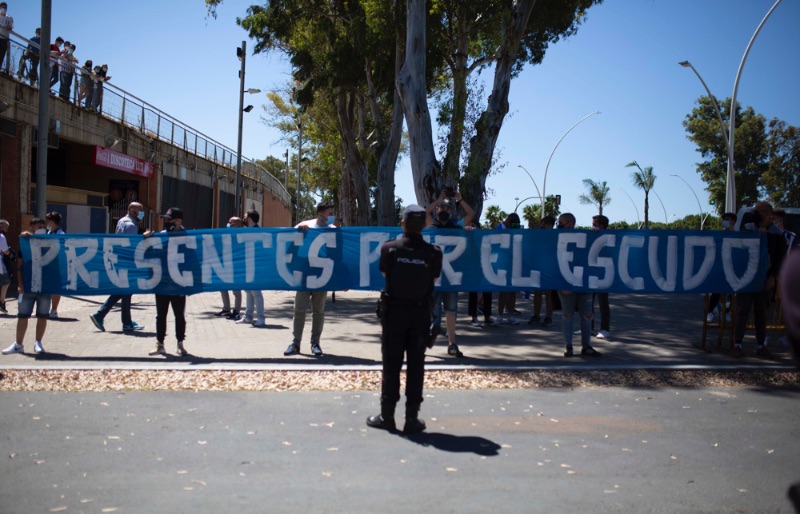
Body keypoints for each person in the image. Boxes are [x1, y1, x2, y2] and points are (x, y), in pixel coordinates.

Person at [366, 204, 442, 434]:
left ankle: (387, 416)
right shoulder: (434, 252)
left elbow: (385, 274)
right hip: (420, 314)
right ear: (425, 226)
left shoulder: (389, 249)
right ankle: (411, 418)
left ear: (403, 224)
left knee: (391, 364)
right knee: (416, 365)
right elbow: (435, 279)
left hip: (395, 313)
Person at [284, 201, 338, 357]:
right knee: (299, 310)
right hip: (303, 275)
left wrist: (340, 278)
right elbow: (289, 247)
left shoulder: (333, 230)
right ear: (320, 213)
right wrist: (298, 234)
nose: (331, 216)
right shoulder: (304, 226)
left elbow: (337, 256)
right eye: (329, 213)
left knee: (318, 311)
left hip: (322, 276)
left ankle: (315, 343)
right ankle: (295, 343)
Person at [733, 202, 786, 359]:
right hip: (746, 277)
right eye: (754, 211)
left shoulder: (777, 233)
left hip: (764, 278)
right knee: (743, 310)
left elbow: (779, 258)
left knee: (761, 312)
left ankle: (761, 345)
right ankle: (737, 344)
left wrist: (773, 277)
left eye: (759, 212)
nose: (756, 214)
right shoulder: (748, 228)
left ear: (769, 214)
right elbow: (739, 249)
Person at [425, 190, 474, 358]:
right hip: (434, 277)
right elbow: (425, 212)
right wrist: (437, 199)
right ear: (437, 210)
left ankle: (452, 344)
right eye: (441, 208)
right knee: (430, 309)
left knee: (451, 311)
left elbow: (471, 214)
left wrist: (460, 200)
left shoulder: (457, 226)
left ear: (451, 211)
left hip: (451, 278)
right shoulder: (432, 226)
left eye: (447, 208)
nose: (444, 211)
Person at [89, 203, 146, 333]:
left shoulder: (121, 221)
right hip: (127, 261)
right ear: (132, 210)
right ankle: (120, 321)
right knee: (126, 290)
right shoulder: (131, 225)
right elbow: (132, 245)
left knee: (123, 291)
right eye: (140, 210)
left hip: (119, 259)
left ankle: (103, 315)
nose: (142, 213)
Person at [2, 218, 50, 355]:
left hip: (45, 285)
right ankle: (18, 344)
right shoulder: (25, 243)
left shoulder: (50, 242)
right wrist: (20, 284)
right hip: (28, 285)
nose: (41, 228)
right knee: (22, 315)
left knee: (42, 315)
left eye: (43, 226)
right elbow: (20, 266)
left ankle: (38, 342)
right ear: (32, 227)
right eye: (38, 226)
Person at [556, 213, 600, 358]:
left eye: (561, 222)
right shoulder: (556, 237)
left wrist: (596, 235)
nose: (558, 224)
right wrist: (562, 282)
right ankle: (568, 346)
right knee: (567, 315)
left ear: (570, 223)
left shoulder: (584, 236)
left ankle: (586, 346)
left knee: (587, 316)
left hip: (584, 282)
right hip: (566, 282)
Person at [147, 207, 189, 356]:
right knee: (161, 315)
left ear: (178, 221)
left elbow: (193, 261)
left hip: (178, 283)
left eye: (169, 219)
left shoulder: (188, 238)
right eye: (166, 219)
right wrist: (146, 239)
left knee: (179, 315)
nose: (166, 222)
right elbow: (149, 254)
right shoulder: (160, 236)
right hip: (162, 282)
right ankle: (159, 343)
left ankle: (180, 344)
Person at [236, 210, 266, 327]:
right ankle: (248, 316)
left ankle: (261, 318)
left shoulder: (258, 232)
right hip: (247, 265)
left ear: (250, 218)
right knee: (248, 291)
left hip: (256, 266)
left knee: (256, 292)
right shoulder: (246, 231)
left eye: (245, 216)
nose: (243, 218)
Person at [706, 212, 738, 323]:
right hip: (720, 267)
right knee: (716, 290)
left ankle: (728, 312)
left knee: (731, 292)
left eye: (727, 219)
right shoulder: (719, 235)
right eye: (724, 219)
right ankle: (711, 312)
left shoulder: (738, 236)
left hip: (732, 268)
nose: (725, 221)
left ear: (733, 221)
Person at [529, 215, 556, 327]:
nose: (543, 226)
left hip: (549, 267)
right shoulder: (539, 235)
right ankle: (537, 315)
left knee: (548, 294)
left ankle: (548, 317)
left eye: (545, 224)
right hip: (539, 266)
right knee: (538, 293)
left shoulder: (555, 235)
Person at [496, 212, 521, 325]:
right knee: (503, 291)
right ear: (508, 221)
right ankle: (500, 314)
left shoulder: (515, 230)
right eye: (512, 223)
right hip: (502, 262)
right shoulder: (500, 227)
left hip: (514, 262)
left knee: (512, 291)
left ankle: (510, 314)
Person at [218, 216, 243, 319]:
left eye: (231, 222)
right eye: (229, 222)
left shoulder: (242, 235)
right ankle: (226, 309)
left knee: (236, 290)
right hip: (225, 264)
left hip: (236, 265)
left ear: (237, 225)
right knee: (222, 287)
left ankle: (236, 311)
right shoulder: (226, 234)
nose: (229, 224)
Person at [591, 214, 611, 339]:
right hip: (591, 273)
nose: (592, 226)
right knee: (588, 302)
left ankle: (605, 329)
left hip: (604, 274)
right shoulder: (592, 236)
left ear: (601, 226)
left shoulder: (609, 238)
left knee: (603, 303)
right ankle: (589, 327)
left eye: (594, 224)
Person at [45, 212, 65, 319]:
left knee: (55, 289)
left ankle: (54, 309)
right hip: (47, 264)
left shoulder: (60, 234)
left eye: (47, 221)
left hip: (56, 265)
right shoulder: (48, 233)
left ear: (52, 222)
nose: (46, 223)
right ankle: (45, 309)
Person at [0, 219, 12, 313]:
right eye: (5, 226)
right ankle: (1, 302)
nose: (7, 228)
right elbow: (6, 251)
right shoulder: (1, 236)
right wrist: (10, 252)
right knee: (6, 281)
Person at [0, 2, 13, 75]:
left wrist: (9, 28)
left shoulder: (9, 18)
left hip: (4, 39)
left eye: (5, 7)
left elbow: (11, 27)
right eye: (2, 7)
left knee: (1, 55)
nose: (3, 9)